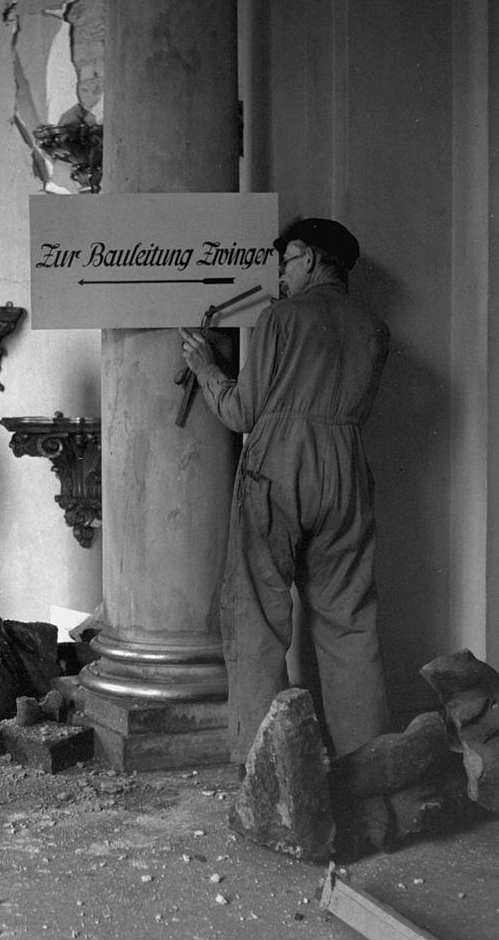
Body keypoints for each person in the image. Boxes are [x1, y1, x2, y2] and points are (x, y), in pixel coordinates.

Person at [179, 217, 391, 764]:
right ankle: (368, 763)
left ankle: (265, 768)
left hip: (279, 464)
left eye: (288, 261)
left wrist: (206, 368)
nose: (282, 274)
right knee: (349, 617)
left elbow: (241, 411)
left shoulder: (281, 318)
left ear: (314, 260)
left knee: (256, 613)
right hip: (346, 466)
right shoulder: (373, 327)